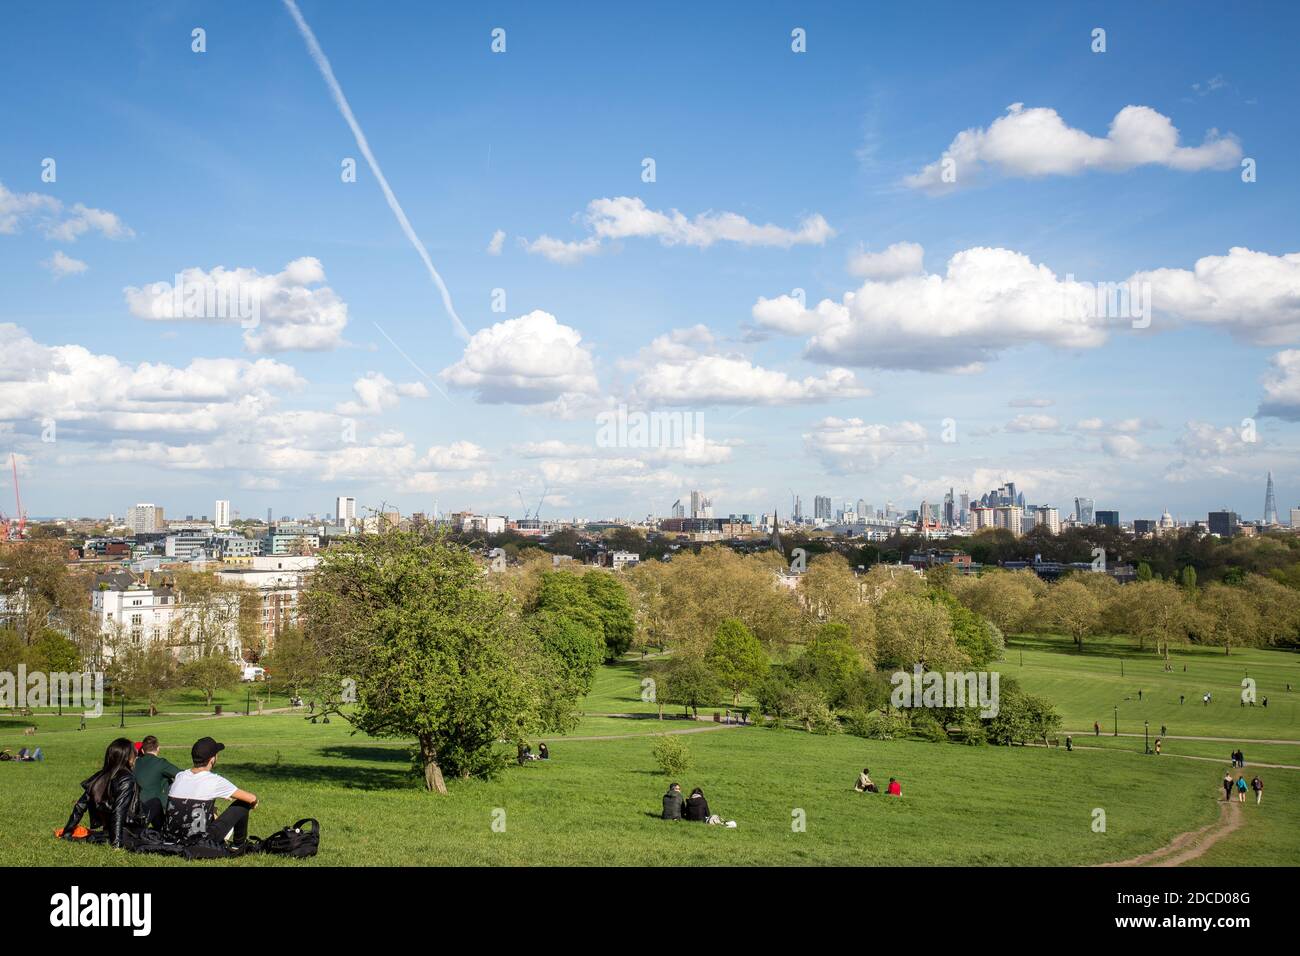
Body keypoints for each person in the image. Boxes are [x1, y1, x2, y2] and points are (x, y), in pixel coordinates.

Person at [164, 737, 258, 849]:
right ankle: (238, 845)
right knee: (243, 803)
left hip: (171, 837)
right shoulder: (214, 781)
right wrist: (254, 802)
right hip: (199, 840)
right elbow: (251, 798)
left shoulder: (180, 776)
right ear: (212, 759)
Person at [60, 737, 148, 849]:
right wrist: (116, 844)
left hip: (108, 831)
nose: (136, 757)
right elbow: (119, 811)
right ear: (127, 757)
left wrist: (67, 832)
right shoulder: (126, 779)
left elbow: (80, 806)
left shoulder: (100, 776)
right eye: (134, 754)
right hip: (127, 832)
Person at [132, 735, 180, 830]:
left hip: (134, 807)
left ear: (142, 750)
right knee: (167, 780)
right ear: (158, 749)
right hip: (154, 808)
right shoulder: (160, 763)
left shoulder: (135, 763)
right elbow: (180, 774)